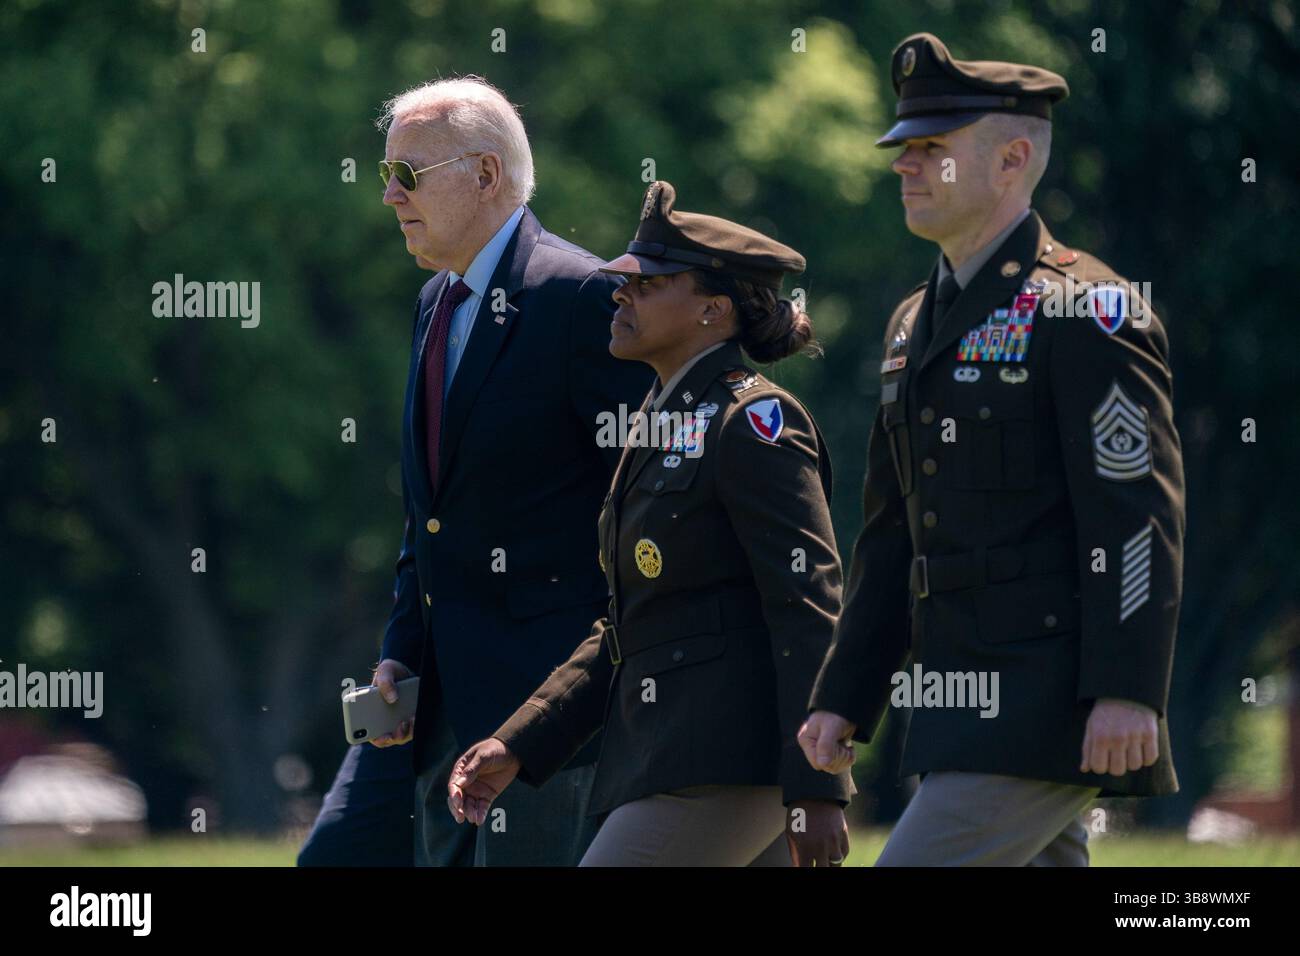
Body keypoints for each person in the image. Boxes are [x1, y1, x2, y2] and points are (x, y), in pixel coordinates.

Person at [800, 33, 1186, 866]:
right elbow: (893, 536)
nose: (905, 165)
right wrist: (846, 694)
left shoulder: (1088, 310)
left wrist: (1127, 688)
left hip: (1048, 703)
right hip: (955, 701)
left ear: (1012, 159)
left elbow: (1134, 518)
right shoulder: (912, 323)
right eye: (903, 147)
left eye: (932, 147)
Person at [445, 181, 854, 866]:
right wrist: (520, 741)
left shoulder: (754, 422)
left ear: (713, 310)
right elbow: (627, 628)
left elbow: (807, 605)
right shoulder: (658, 424)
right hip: (673, 758)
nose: (621, 295)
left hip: (723, 763)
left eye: (648, 284)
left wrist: (819, 784)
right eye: (625, 281)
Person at [313, 76, 652, 868]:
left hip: (547, 728)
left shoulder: (582, 295)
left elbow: (649, 508)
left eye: (407, 174)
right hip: (432, 714)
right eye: (385, 174)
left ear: (486, 175)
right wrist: (400, 651)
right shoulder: (435, 300)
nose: (389, 196)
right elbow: (428, 516)